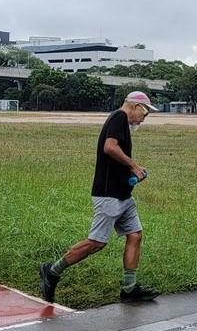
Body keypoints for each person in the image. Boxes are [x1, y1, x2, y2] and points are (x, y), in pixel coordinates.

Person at [40, 91, 159, 303]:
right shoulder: (119, 117)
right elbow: (109, 147)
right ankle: (52, 271)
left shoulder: (122, 122)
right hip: (109, 195)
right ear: (134, 106)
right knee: (96, 243)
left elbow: (114, 154)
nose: (144, 118)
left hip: (123, 195)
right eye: (145, 112)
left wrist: (129, 172)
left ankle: (129, 288)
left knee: (135, 235)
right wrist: (133, 165)